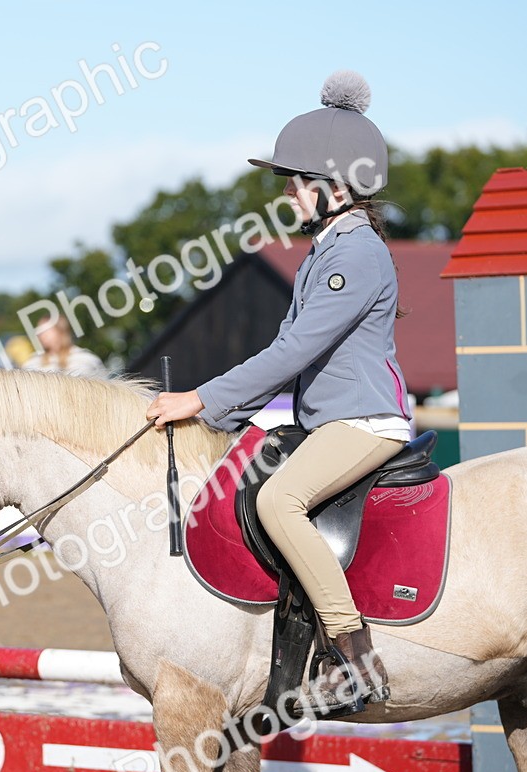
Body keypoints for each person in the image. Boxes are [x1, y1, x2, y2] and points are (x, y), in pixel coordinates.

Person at [146, 71, 410, 713]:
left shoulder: (356, 254)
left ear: (338, 188)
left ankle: (355, 656)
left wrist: (201, 401)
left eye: (298, 181)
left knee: (281, 499)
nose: (289, 192)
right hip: (330, 419)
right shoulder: (325, 251)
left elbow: (293, 352)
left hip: (366, 421)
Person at [22, 315, 107, 379]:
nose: (41, 334)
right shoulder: (33, 362)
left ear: (61, 331)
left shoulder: (85, 360)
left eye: (45, 330)